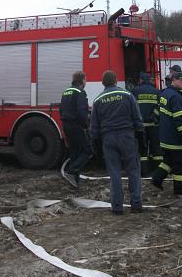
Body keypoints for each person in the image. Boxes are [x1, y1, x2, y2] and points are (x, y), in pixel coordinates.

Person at [91, 70, 144, 214]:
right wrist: (140, 137)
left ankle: (117, 207)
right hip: (127, 136)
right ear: (115, 81)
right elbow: (137, 119)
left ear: (103, 83)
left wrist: (96, 145)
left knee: (114, 173)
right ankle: (136, 204)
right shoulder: (127, 95)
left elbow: (94, 127)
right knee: (133, 170)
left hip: (108, 139)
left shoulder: (98, 100)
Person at [151, 72, 182, 195]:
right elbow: (180, 120)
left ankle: (157, 179)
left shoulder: (165, 93)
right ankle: (180, 190)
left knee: (168, 162)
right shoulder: (176, 97)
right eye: (181, 80)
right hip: (176, 140)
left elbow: (156, 113)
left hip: (165, 139)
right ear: (174, 80)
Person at [60, 71, 91, 190]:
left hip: (67, 125)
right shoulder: (80, 92)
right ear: (82, 80)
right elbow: (81, 112)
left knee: (74, 153)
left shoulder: (66, 92)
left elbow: (61, 111)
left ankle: (74, 183)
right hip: (77, 126)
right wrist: (86, 126)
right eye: (85, 80)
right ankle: (71, 171)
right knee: (88, 151)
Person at [131, 72, 162, 177]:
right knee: (156, 149)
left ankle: (144, 172)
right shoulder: (157, 92)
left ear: (141, 80)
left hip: (140, 126)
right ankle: (157, 171)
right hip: (154, 125)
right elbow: (161, 107)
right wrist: (154, 116)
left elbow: (132, 108)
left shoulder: (135, 91)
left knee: (142, 150)